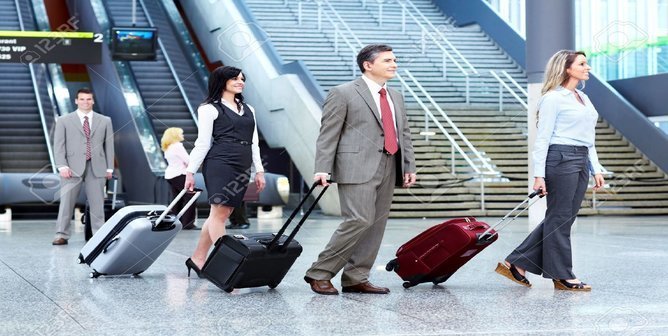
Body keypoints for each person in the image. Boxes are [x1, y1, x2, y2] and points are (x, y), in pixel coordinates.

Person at [304, 44, 416, 295]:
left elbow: (403, 134)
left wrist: (409, 165)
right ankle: (320, 272)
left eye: (395, 59)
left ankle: (356, 277)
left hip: (390, 164)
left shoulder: (395, 95)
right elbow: (328, 133)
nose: (394, 64)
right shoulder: (343, 92)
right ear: (368, 64)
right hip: (356, 166)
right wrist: (322, 167)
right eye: (387, 60)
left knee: (376, 224)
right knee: (358, 219)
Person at [495, 50, 605, 291]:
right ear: (567, 68)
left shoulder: (583, 98)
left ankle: (516, 261)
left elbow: (590, 137)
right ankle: (563, 275)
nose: (588, 67)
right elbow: (542, 138)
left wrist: (596, 168)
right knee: (560, 217)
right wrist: (538, 175)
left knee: (563, 217)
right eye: (582, 64)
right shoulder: (553, 98)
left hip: (581, 158)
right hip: (561, 158)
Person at [183, 66, 265, 277]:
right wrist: (190, 172)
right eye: (235, 78)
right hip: (220, 162)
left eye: (242, 79)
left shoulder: (249, 109)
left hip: (242, 163)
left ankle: (198, 259)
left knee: (221, 213)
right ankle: (227, 266)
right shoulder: (209, 108)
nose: (240, 82)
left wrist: (259, 170)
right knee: (220, 213)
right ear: (223, 81)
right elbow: (202, 142)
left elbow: (254, 142)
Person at [52, 88, 114, 245]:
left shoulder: (105, 120)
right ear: (76, 101)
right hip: (70, 168)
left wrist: (109, 167)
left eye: (88, 99)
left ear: (92, 101)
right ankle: (62, 234)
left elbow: (109, 145)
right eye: (82, 99)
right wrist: (61, 165)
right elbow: (58, 145)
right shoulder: (64, 120)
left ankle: (99, 235)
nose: (85, 102)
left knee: (97, 203)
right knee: (66, 202)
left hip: (97, 166)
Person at [161, 127, 198, 230]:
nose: (183, 136)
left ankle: (176, 222)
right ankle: (188, 223)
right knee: (190, 197)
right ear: (175, 135)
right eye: (181, 134)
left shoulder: (168, 147)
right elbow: (188, 160)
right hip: (179, 175)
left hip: (170, 175)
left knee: (177, 199)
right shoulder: (177, 146)